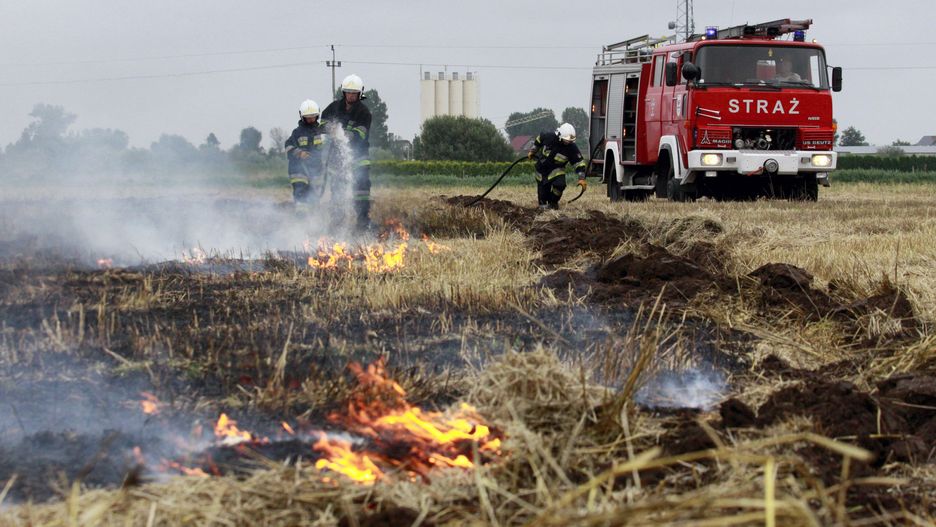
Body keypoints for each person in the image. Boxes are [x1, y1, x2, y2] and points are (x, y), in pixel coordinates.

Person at [322, 74, 372, 232]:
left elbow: (362, 132)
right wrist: (329, 128)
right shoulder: (333, 108)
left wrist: (350, 135)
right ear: (344, 93)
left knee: (361, 190)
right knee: (337, 190)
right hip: (337, 157)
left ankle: (362, 222)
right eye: (348, 92)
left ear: (359, 94)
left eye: (354, 93)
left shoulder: (364, 112)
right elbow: (322, 123)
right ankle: (337, 223)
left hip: (359, 158)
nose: (351, 95)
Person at [527, 123, 587, 209]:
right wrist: (533, 150)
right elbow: (539, 139)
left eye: (571, 140)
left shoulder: (572, 148)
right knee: (543, 201)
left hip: (557, 170)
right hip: (541, 170)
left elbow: (579, 163)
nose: (568, 142)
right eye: (566, 140)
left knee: (560, 185)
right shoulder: (548, 137)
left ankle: (553, 203)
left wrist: (581, 178)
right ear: (559, 135)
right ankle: (544, 207)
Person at [284, 99, 328, 209]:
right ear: (302, 117)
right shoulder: (297, 132)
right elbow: (288, 146)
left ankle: (312, 222)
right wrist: (299, 153)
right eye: (308, 117)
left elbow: (329, 147)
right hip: (299, 170)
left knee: (314, 198)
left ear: (317, 116)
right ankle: (300, 221)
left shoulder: (322, 131)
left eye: (313, 116)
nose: (311, 119)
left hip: (316, 169)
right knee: (301, 194)